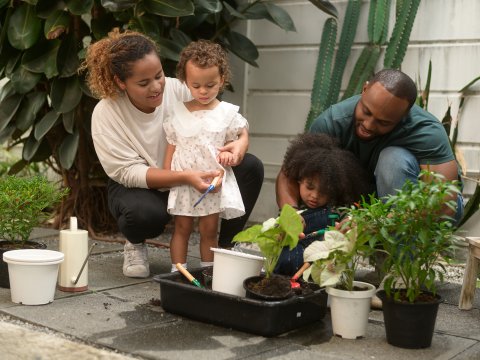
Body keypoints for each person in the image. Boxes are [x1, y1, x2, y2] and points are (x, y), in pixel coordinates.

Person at [81, 29, 263, 278]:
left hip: (195, 173)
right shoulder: (107, 112)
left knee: (251, 167)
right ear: (121, 82)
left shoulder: (180, 89)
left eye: (158, 76)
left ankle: (226, 247)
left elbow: (222, 117)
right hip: (141, 186)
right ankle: (135, 243)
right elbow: (126, 172)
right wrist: (184, 177)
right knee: (143, 215)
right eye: (144, 83)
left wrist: (242, 141)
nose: (156, 87)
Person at [276, 69, 464, 223]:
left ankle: (396, 263)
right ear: (365, 89)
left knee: (393, 159)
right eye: (366, 111)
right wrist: (290, 213)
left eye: (383, 123)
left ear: (404, 115)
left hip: (424, 212)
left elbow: (444, 203)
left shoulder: (427, 132)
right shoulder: (333, 121)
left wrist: (374, 222)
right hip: (369, 207)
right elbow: (289, 173)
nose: (368, 125)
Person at [163, 40, 247, 271]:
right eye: (196, 85)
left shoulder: (226, 113)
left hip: (213, 182)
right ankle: (177, 270)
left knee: (209, 230)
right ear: (185, 82)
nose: (203, 91)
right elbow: (172, 145)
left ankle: (209, 270)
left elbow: (234, 143)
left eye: (210, 85)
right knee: (181, 228)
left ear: (222, 79)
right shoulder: (177, 112)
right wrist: (168, 176)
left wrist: (230, 157)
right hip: (183, 181)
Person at [274, 133, 371, 276]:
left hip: (325, 254)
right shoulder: (294, 208)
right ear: (299, 180)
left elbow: (352, 217)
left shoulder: (337, 209)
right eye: (310, 187)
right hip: (295, 254)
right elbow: (277, 229)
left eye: (324, 192)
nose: (314, 196)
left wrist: (349, 222)